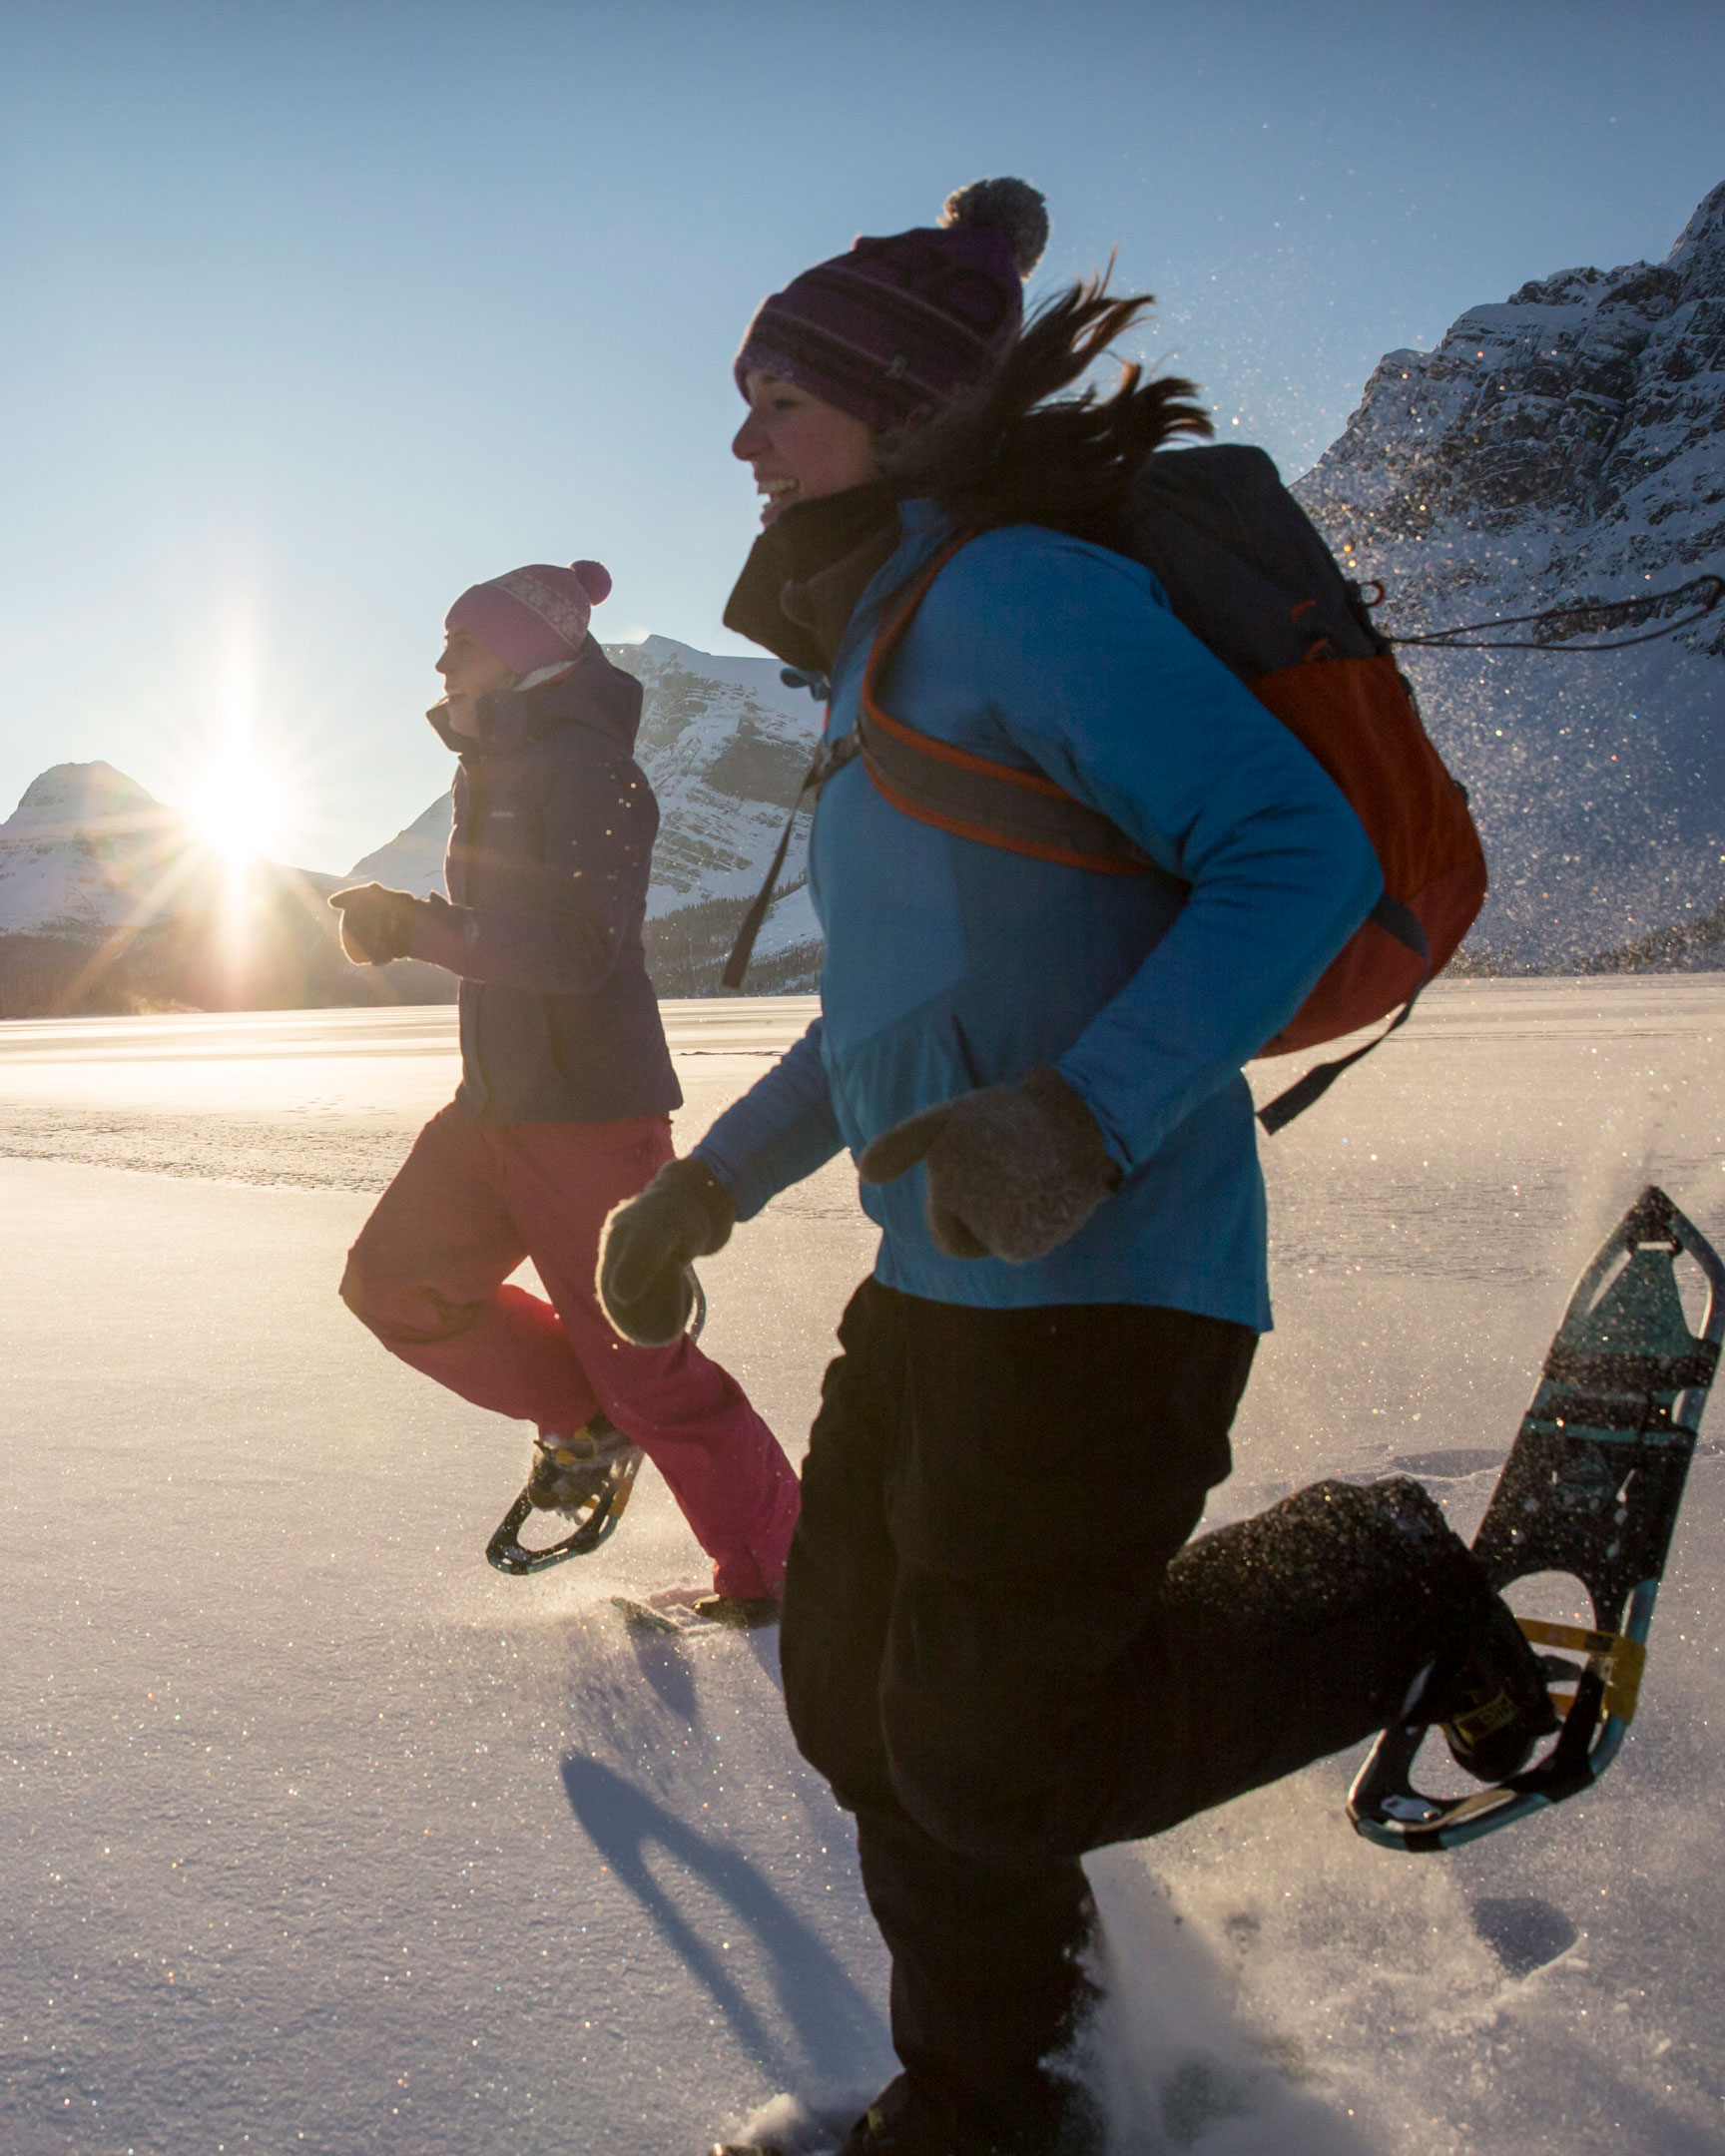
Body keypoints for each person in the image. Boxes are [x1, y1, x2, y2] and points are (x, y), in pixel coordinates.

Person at [600, 181, 1555, 2154]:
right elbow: (879, 1017)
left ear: (891, 406)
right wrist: (714, 1186)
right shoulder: (885, 658)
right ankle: (997, 2087)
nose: (742, 436)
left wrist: (1085, 1115)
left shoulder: (1023, 600)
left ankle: (1386, 1581)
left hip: (1113, 1281)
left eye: (775, 395)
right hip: (938, 1287)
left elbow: (1302, 862)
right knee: (864, 1713)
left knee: (1001, 1756)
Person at [331, 558, 800, 1620]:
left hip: (592, 1114)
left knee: (649, 1368)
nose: (442, 661)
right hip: (493, 1107)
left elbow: (582, 950)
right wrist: (417, 924)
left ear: (528, 653)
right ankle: (586, 1420)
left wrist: (418, 927)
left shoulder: (590, 769)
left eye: (463, 640)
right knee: (394, 1284)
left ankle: (785, 1571)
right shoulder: (490, 768)